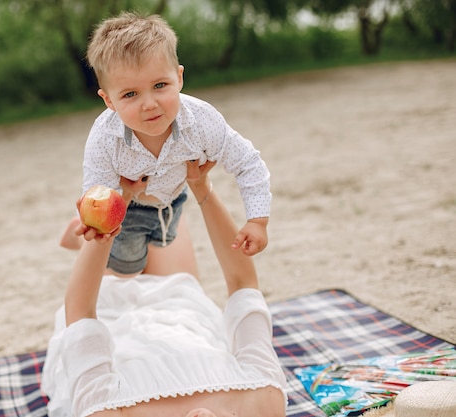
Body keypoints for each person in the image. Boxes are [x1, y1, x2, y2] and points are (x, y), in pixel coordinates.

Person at [42, 161, 288, 417]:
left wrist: (111, 217)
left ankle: (84, 241)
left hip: (107, 310)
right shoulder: (263, 403)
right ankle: (104, 241)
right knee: (162, 206)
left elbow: (81, 311)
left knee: (120, 250)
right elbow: (242, 284)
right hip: (178, 305)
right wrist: (201, 187)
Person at [61, 12, 271, 277]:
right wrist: (96, 223)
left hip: (173, 200)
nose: (149, 103)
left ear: (179, 78)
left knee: (164, 243)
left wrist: (257, 220)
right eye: (130, 94)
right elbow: (97, 191)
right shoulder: (105, 137)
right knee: (128, 270)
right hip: (129, 206)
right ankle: (75, 235)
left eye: (160, 85)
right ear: (109, 101)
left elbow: (247, 162)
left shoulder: (201, 120)